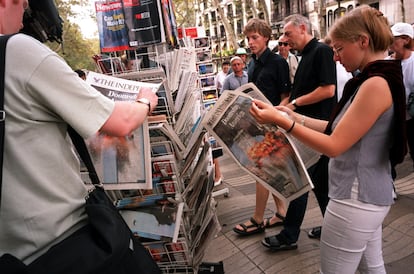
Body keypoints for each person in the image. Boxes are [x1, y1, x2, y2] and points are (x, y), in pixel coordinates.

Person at [0, 0, 159, 268]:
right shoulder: (18, 50)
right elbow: (121, 122)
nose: (27, 4)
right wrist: (145, 100)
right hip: (65, 244)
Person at [250, 5, 406, 272]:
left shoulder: (374, 83)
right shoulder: (378, 78)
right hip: (369, 194)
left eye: (340, 48)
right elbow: (337, 128)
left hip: (356, 198)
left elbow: (335, 145)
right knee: (372, 266)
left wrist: (283, 122)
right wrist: (291, 115)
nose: (335, 57)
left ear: (363, 42)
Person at [260, 14, 337, 247]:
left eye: (288, 33)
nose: (284, 38)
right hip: (306, 127)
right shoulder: (305, 55)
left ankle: (289, 235)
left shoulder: (321, 51)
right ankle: (331, 228)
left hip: (315, 129)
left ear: (303, 28)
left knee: (301, 182)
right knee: (320, 185)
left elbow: (328, 90)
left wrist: (294, 105)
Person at [232, 18, 290, 236]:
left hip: (273, 123)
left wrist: (275, 116)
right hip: (257, 122)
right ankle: (281, 211)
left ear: (266, 37)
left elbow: (286, 97)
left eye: (255, 37)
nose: (250, 42)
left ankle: (257, 219)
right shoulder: (253, 63)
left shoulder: (278, 62)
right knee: (268, 169)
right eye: (248, 38)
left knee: (262, 170)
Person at [389, 22, 414, 171]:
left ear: (406, 39)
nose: (389, 43)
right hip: (393, 119)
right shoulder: (386, 63)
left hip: (411, 119)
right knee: (391, 155)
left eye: (393, 39)